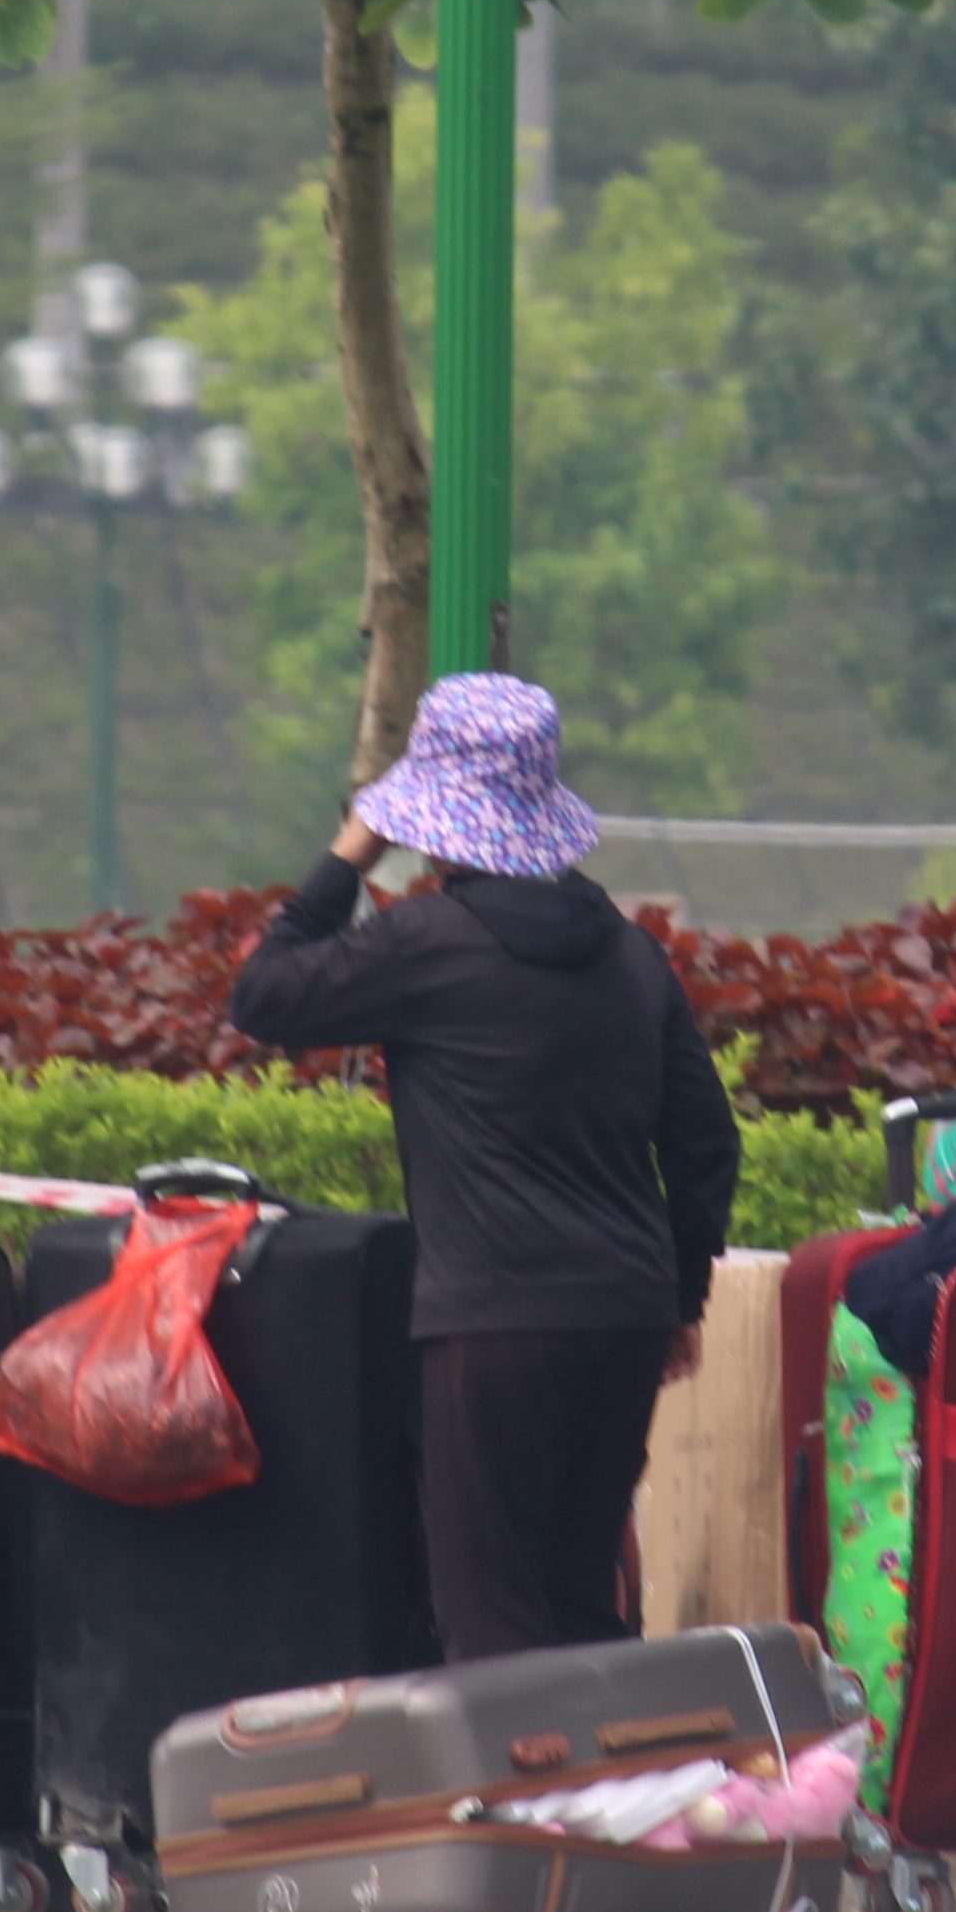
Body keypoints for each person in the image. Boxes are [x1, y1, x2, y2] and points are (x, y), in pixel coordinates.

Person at [228, 671, 739, 1662]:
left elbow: (264, 995)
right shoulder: (635, 957)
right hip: (626, 1314)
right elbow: (706, 1141)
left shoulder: (425, 944)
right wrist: (681, 1296)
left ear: (431, 810)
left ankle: (518, 1808)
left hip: (494, 1318)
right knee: (585, 1593)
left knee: (490, 1601)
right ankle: (613, 1806)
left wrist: (353, 846)